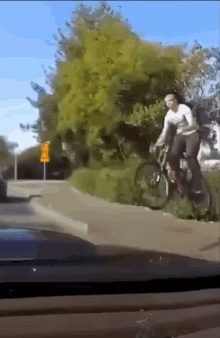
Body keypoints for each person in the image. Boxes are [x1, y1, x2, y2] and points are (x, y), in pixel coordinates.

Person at [155, 93, 203, 197]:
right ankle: (181, 182)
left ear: (175, 101)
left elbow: (193, 125)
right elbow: (164, 132)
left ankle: (198, 182)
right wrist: (158, 142)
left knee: (190, 156)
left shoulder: (184, 109)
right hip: (180, 135)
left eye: (170, 100)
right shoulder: (168, 116)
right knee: (171, 157)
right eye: (166, 102)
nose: (168, 103)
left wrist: (183, 129)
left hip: (192, 133)